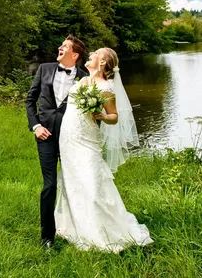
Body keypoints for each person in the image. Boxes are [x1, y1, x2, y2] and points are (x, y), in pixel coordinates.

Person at [54, 47, 153, 252]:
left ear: (102, 62)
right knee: (71, 179)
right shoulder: (82, 81)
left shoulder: (106, 87)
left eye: (95, 54)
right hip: (68, 137)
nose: (90, 55)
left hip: (87, 139)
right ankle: (72, 225)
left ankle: (102, 230)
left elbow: (114, 116)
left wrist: (101, 116)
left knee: (91, 183)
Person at [25, 34, 88, 248]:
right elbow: (30, 100)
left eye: (65, 46)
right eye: (61, 44)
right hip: (46, 137)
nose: (60, 47)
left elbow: (91, 110)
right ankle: (47, 238)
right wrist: (36, 126)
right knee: (50, 185)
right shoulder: (44, 69)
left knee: (76, 183)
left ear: (75, 54)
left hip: (72, 138)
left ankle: (79, 230)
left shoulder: (85, 76)